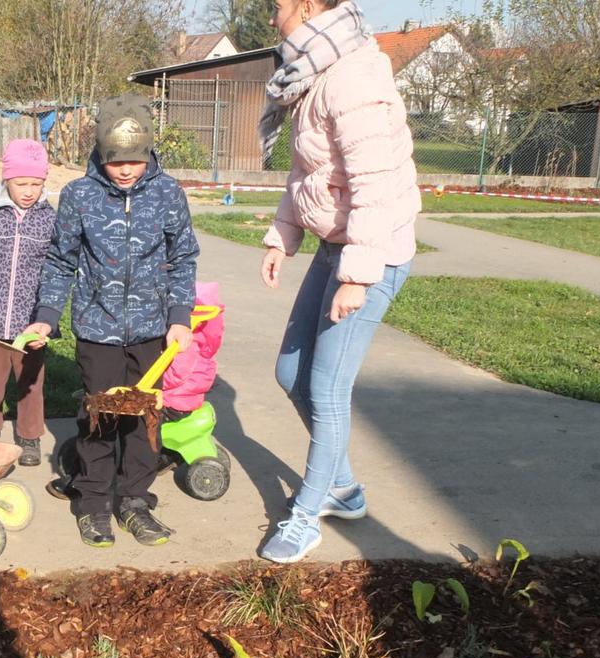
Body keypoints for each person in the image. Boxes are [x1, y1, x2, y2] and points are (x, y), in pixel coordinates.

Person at [256, 0, 420, 563]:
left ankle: (307, 515)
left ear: (305, 5)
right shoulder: (314, 71)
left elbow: (374, 182)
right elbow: (310, 172)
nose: (271, 15)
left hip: (372, 252)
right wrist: (283, 235)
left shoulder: (354, 77)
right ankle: (344, 487)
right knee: (288, 372)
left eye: (277, 5)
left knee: (326, 388)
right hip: (337, 244)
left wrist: (359, 274)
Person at [23, 94, 200, 548]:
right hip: (97, 330)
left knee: (144, 422)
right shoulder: (80, 196)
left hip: (151, 332)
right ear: (100, 153)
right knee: (99, 418)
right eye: (115, 160)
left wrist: (179, 316)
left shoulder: (168, 194)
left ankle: (135, 501)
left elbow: (183, 259)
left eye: (135, 161)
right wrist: (46, 316)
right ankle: (94, 503)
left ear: (149, 153)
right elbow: (61, 261)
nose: (125, 170)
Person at [0, 139, 56, 465]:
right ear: (7, 180)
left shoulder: (49, 218)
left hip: (31, 320)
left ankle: (29, 436)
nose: (29, 190)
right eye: (22, 183)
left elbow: (54, 264)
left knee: (31, 384)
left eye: (37, 183)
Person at [160, 282, 225, 423]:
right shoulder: (200, 337)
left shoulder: (185, 340)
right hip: (184, 398)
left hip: (173, 403)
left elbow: (176, 374)